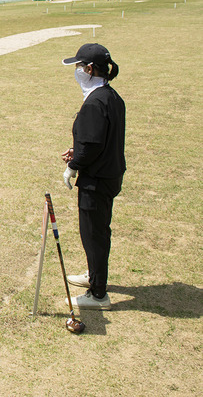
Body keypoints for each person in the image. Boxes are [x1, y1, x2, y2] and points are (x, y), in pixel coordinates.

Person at [60, 43, 126, 310]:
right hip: (108, 173)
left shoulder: (95, 102)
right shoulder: (110, 96)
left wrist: (73, 165)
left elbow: (92, 145)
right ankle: (93, 274)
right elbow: (99, 139)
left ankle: (98, 294)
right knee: (95, 231)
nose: (76, 71)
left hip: (97, 180)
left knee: (94, 234)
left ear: (89, 69)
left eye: (78, 66)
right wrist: (79, 150)